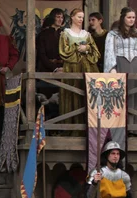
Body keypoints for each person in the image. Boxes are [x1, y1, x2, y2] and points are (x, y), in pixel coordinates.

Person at [105, 7, 137, 137]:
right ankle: (119, 128)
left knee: (136, 95)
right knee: (120, 96)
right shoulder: (113, 34)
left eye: (133, 18)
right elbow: (109, 52)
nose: (131, 20)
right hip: (120, 65)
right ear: (123, 18)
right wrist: (112, 68)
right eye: (129, 17)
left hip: (135, 66)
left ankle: (135, 129)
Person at [59, 8, 100, 137]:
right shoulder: (65, 33)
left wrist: (87, 48)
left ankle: (88, 128)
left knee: (85, 95)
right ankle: (70, 128)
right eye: (79, 17)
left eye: (82, 17)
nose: (81, 20)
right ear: (72, 17)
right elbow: (63, 52)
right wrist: (78, 48)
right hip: (72, 67)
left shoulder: (86, 34)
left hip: (87, 67)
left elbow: (96, 53)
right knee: (72, 94)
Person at [36, 8, 65, 73]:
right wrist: (54, 68)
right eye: (58, 17)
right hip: (45, 70)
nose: (60, 19)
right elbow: (41, 54)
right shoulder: (43, 34)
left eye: (62, 17)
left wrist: (63, 67)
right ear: (53, 18)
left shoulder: (65, 34)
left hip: (63, 70)